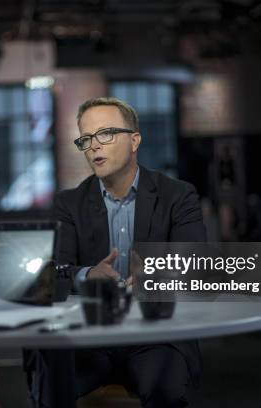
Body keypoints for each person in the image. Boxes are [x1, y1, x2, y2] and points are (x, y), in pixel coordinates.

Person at [53, 97, 206, 407]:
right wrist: (87, 276)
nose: (94, 146)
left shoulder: (178, 196)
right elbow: (54, 275)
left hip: (155, 336)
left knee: (166, 389)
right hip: (90, 337)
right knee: (49, 380)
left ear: (134, 140)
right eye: (86, 138)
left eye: (105, 133)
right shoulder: (69, 204)